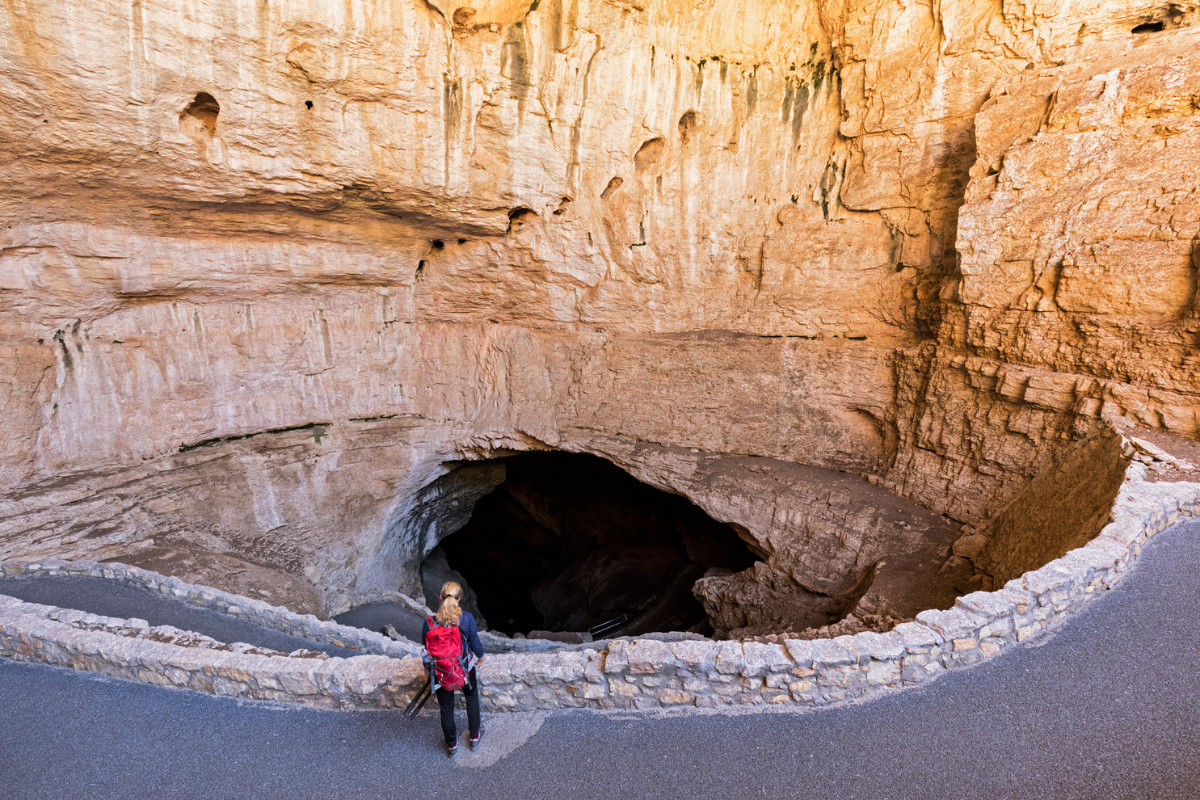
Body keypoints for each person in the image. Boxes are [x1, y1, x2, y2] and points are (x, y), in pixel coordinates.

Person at [421, 581, 485, 757]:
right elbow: (474, 643)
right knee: (471, 698)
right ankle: (474, 738)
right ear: (460, 598)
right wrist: (480, 656)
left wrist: (427, 672)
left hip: (441, 671)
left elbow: (426, 648)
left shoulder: (430, 623)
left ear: (440, 597)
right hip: (464, 669)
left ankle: (452, 745)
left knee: (446, 708)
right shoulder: (466, 618)